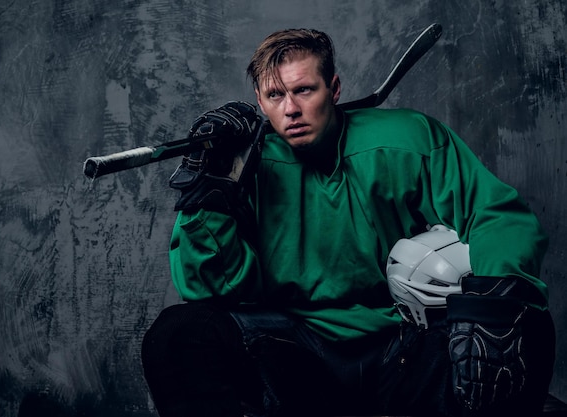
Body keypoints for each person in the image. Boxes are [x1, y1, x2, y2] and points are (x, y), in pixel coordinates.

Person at [140, 28, 556, 417]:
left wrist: (496, 300)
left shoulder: (406, 140)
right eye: (275, 95)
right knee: (180, 334)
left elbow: (496, 215)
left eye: (304, 90)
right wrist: (213, 190)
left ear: (333, 88)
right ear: (259, 101)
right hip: (295, 353)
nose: (291, 109)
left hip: (401, 344)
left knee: (521, 324)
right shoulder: (246, 165)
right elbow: (207, 287)